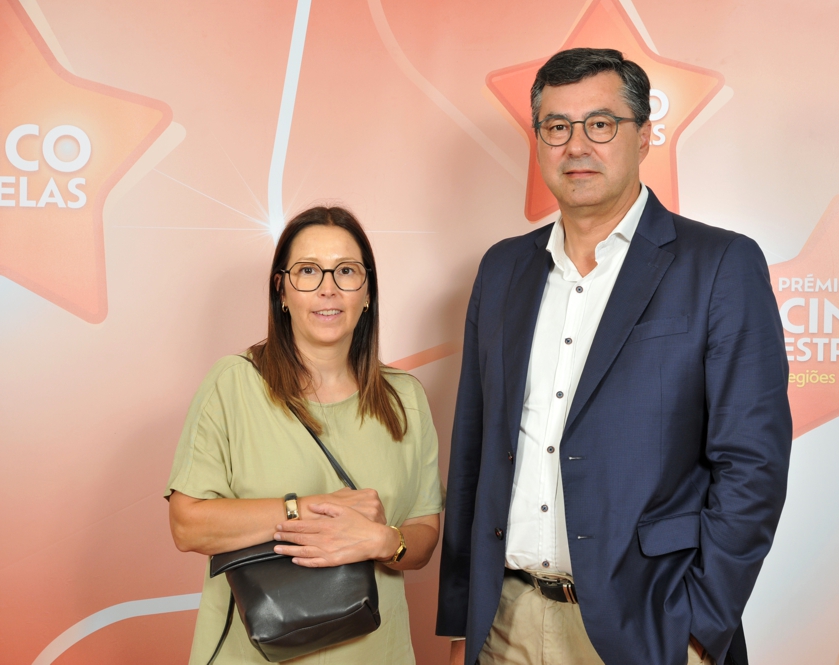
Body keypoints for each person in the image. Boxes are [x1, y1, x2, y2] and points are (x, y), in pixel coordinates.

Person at [436, 48, 792, 665]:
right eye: (557, 126)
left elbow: (752, 466)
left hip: (647, 626)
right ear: (539, 141)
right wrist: (462, 619)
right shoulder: (502, 269)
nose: (577, 146)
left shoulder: (718, 265)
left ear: (644, 134)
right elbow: (474, 454)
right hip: (505, 624)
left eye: (600, 124)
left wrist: (699, 631)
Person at [166, 206, 442, 665]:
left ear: (368, 292)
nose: (328, 288)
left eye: (346, 271)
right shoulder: (233, 383)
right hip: (252, 655)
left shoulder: (406, 397)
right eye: (308, 271)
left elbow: (425, 534)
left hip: (377, 653)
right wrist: (310, 510)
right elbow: (186, 525)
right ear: (282, 290)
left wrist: (381, 540)